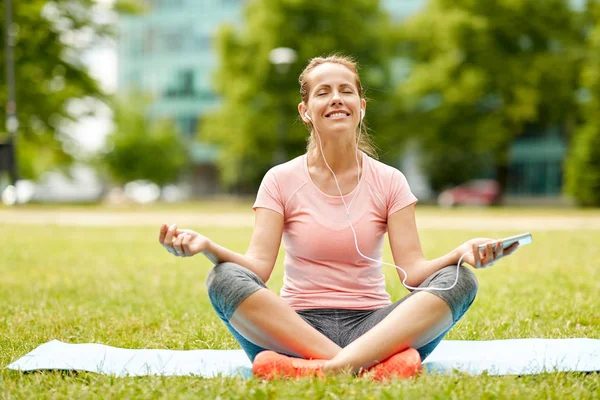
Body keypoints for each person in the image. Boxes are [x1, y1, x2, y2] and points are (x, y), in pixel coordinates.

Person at [158, 55, 519, 380]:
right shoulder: (280, 179)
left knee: (460, 282)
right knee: (222, 277)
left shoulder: (390, 180)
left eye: (346, 91)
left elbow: (414, 275)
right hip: (294, 330)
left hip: (374, 328)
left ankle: (324, 370)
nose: (336, 98)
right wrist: (207, 247)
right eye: (323, 92)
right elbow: (257, 268)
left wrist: (461, 254)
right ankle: (368, 368)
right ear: (305, 110)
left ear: (361, 107)